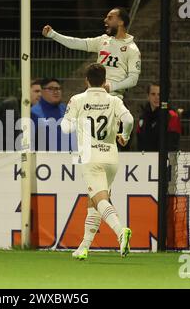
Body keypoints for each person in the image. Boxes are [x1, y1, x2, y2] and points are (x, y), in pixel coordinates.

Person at [61, 63, 134, 259]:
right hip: (111, 156)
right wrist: (125, 136)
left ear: (86, 80)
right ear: (104, 81)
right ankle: (84, 247)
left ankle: (120, 232)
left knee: (100, 200)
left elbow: (65, 129)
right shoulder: (113, 100)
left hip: (89, 156)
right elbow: (129, 120)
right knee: (93, 200)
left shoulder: (77, 99)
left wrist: (77, 121)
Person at [42, 7, 141, 100]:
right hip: (93, 94)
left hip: (113, 97)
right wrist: (53, 34)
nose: (105, 20)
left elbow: (133, 79)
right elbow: (76, 43)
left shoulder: (132, 49)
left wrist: (110, 87)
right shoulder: (102, 40)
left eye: (110, 18)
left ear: (121, 22)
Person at [31, 78, 76, 151]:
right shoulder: (34, 113)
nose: (56, 92)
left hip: (70, 158)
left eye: (58, 89)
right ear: (42, 91)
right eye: (51, 89)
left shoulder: (66, 109)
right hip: (45, 159)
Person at [136, 83, 181, 151]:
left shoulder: (172, 116)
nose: (157, 97)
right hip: (145, 159)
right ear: (148, 96)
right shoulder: (143, 117)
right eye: (153, 94)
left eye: (159, 94)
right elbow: (140, 143)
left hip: (164, 159)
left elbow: (172, 145)